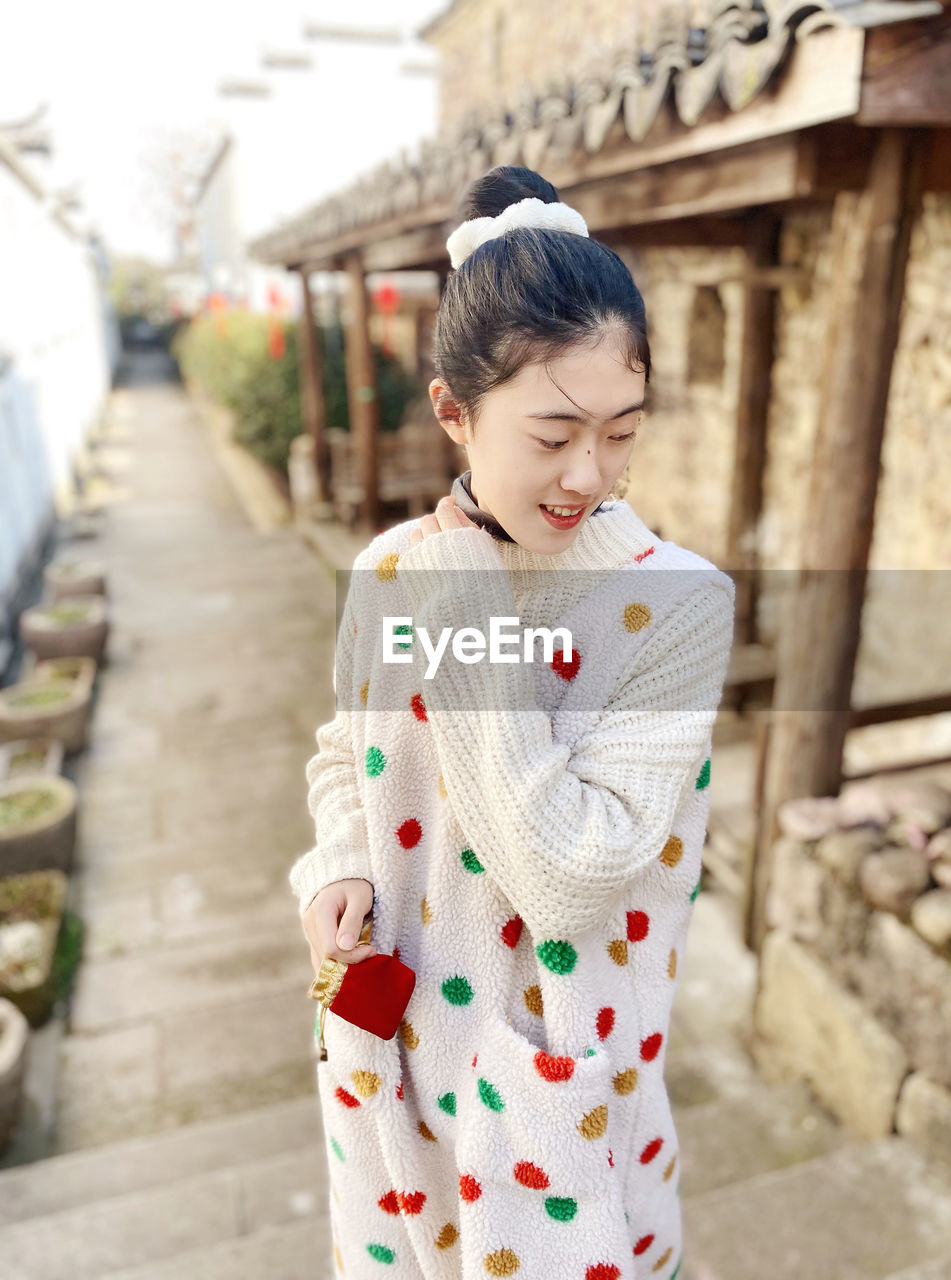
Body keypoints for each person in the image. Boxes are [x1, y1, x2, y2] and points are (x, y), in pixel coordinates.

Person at [291, 164, 735, 1280]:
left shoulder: (673, 601)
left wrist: (466, 603)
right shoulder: (390, 569)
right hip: (388, 1053)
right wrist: (338, 858)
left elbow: (568, 873)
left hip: (552, 1088)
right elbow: (347, 747)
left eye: (622, 431)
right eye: (553, 434)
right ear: (454, 411)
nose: (591, 472)